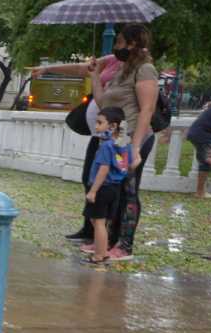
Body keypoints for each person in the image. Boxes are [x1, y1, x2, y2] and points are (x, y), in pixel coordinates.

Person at [31, 53, 123, 244]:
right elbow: (82, 69)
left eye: (122, 42)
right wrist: (48, 69)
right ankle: (91, 229)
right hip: (98, 136)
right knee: (88, 179)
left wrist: (97, 77)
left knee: (107, 185)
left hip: (113, 138)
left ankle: (105, 234)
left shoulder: (135, 66)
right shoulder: (111, 60)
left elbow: (103, 101)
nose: (119, 46)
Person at [91, 24, 159, 261]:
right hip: (118, 141)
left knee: (128, 190)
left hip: (133, 139)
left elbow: (147, 109)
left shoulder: (146, 70)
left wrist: (136, 146)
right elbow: (103, 103)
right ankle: (107, 241)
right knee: (113, 189)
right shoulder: (122, 71)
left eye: (119, 42)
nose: (116, 47)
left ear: (132, 44)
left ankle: (125, 245)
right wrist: (94, 75)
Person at [80, 107, 132, 264]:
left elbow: (103, 169)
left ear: (113, 126)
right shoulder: (124, 144)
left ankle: (99, 255)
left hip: (102, 188)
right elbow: (133, 162)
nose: (96, 126)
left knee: (98, 222)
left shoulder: (106, 146)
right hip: (115, 188)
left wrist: (93, 191)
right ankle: (103, 251)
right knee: (99, 222)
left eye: (100, 122)